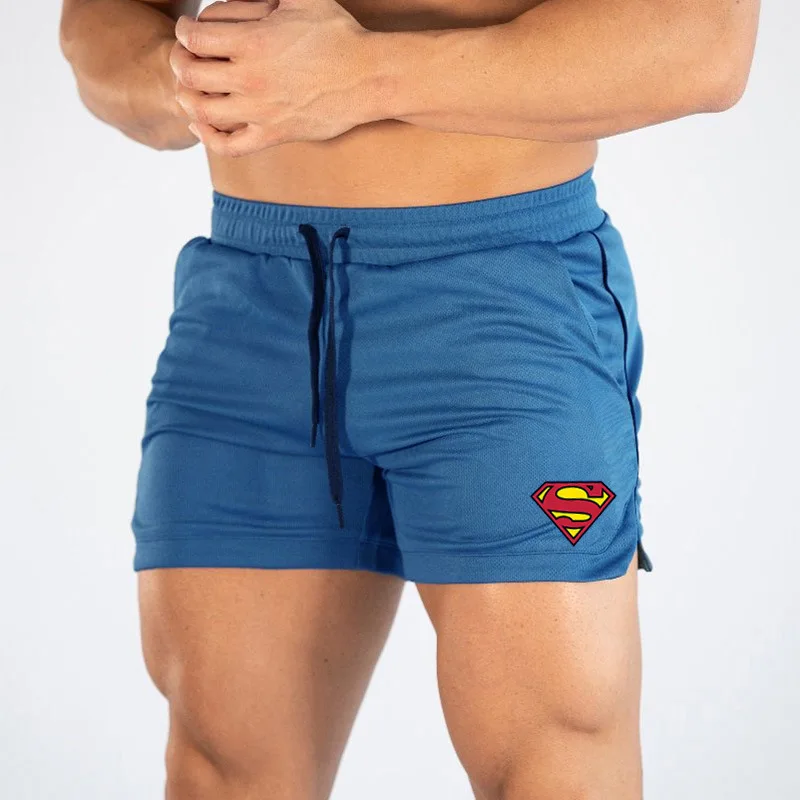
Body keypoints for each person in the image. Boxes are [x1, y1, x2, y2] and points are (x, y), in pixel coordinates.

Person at [60, 1, 759, 797]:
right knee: (223, 766)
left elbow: (708, 43)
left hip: (501, 308)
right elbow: (100, 21)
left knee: (555, 759)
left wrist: (363, 75)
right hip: (251, 311)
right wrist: (190, 79)